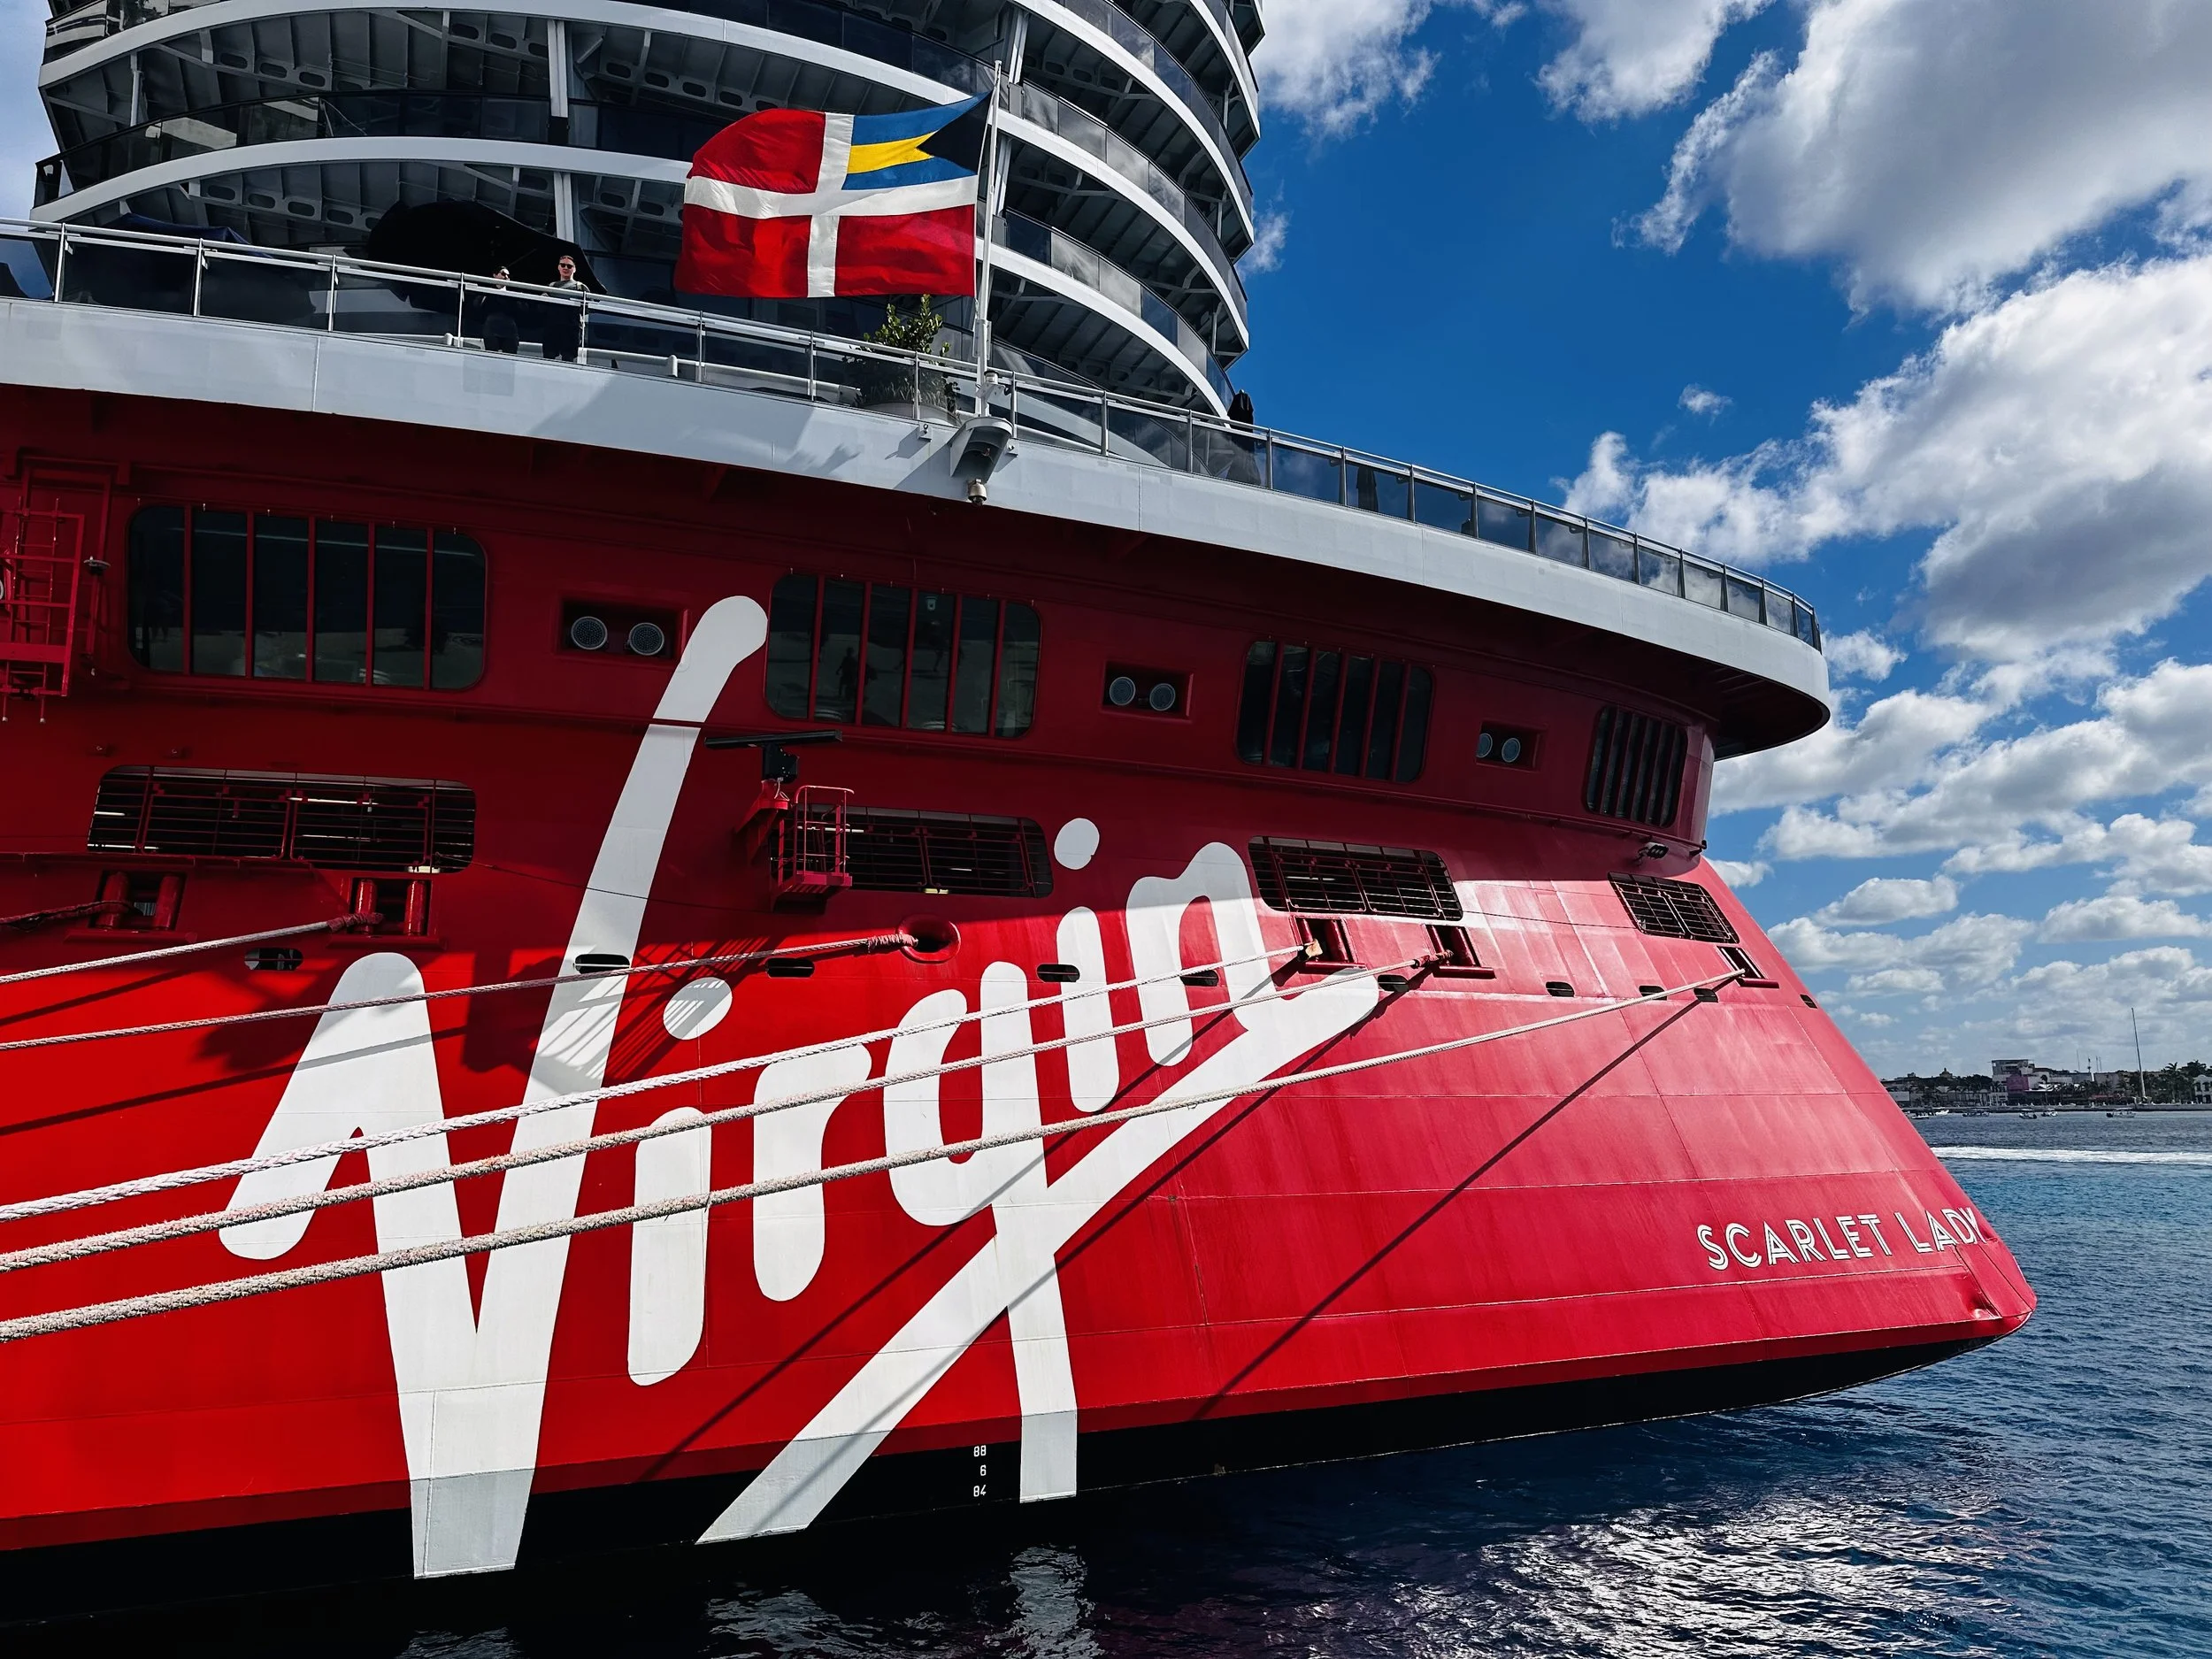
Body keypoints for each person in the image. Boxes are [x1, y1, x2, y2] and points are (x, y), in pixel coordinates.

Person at [541, 252, 587, 362]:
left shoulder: (580, 287)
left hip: (571, 328)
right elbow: (542, 307)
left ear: (574, 269)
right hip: (552, 326)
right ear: (558, 267)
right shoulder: (551, 286)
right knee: (548, 357)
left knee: (568, 358)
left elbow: (588, 308)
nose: (565, 268)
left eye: (569, 266)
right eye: (563, 265)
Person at [477, 267, 519, 354]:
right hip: (491, 329)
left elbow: (522, 310)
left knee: (510, 359)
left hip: (510, 330)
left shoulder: (513, 292)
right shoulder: (487, 291)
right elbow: (477, 305)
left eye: (508, 275)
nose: (506, 277)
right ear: (495, 275)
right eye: (503, 274)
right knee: (491, 356)